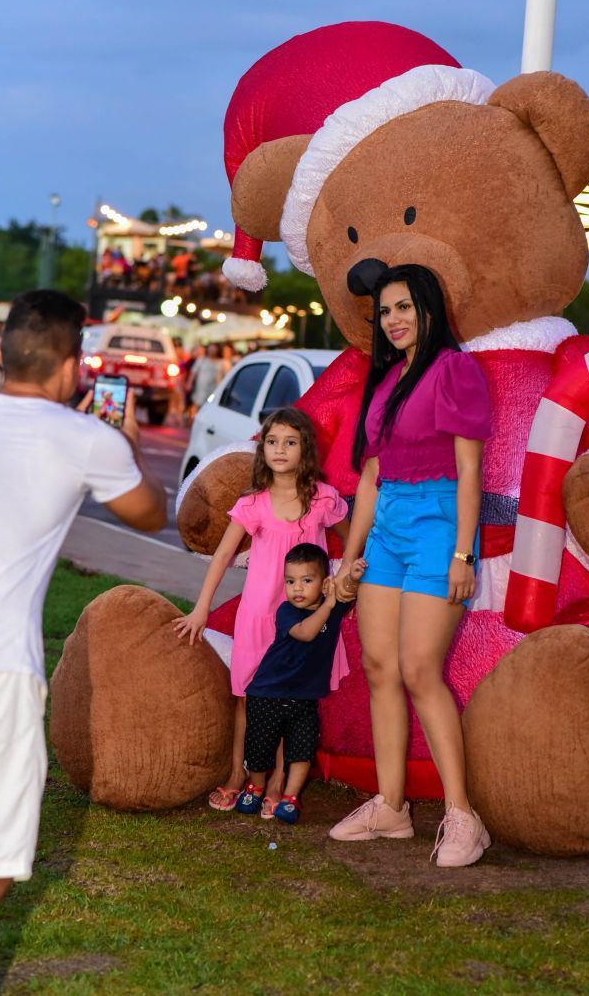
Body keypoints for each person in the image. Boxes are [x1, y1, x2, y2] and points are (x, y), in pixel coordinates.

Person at [0, 290, 167, 996]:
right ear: (74, 365)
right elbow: (149, 513)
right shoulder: (90, 438)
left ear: (1, 351)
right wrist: (128, 444)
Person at [330, 264, 492, 868]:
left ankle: (463, 817)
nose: (393, 320)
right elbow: (370, 475)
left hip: (438, 524)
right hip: (390, 525)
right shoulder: (386, 378)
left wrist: (462, 553)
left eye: (404, 307)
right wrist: (349, 558)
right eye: (385, 312)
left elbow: (471, 471)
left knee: (421, 668)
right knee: (379, 666)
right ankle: (392, 808)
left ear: (428, 308)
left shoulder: (455, 370)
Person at [173, 407, 350, 817]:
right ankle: (239, 775)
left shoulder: (322, 498)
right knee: (247, 697)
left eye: (290, 442)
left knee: (293, 697)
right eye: (272, 442)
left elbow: (350, 535)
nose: (280, 450)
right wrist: (201, 609)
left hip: (303, 619)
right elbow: (222, 556)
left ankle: (276, 783)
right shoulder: (252, 504)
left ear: (304, 448)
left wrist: (339, 581)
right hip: (258, 615)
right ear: (262, 450)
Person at [234, 544, 366, 823]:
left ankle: (290, 796)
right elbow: (306, 633)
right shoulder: (287, 612)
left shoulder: (333, 604)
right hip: (267, 693)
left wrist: (352, 576)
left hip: (305, 698)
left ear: (324, 582)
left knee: (302, 750)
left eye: (307, 580)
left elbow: (349, 592)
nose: (297, 589)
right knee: (259, 748)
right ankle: (255, 785)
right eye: (291, 581)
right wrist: (329, 605)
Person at [186, 342, 224, 414]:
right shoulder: (201, 360)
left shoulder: (222, 362)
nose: (212, 351)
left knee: (210, 407)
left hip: (214, 390)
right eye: (210, 349)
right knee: (197, 404)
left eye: (214, 349)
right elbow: (193, 372)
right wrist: (189, 383)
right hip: (200, 389)